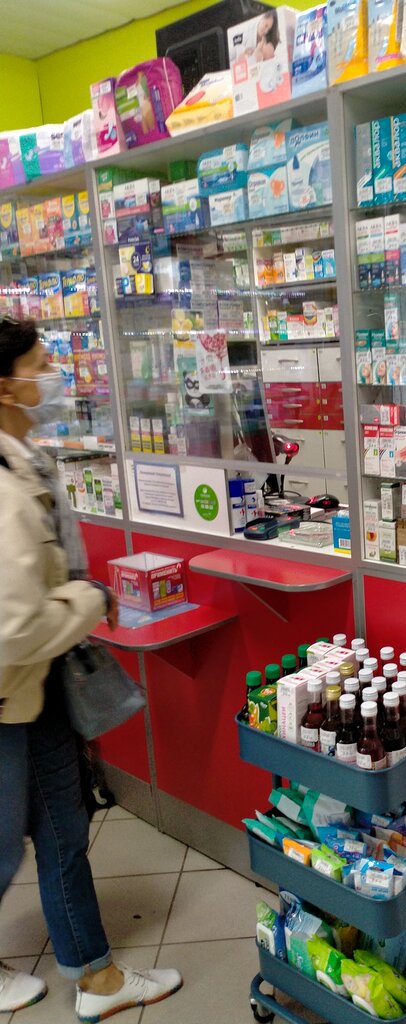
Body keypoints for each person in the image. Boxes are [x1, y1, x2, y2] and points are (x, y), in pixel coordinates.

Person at [0, 318, 182, 1020]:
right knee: (9, 847)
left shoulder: (24, 459)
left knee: (61, 833)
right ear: (7, 386)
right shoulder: (6, 487)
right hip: (13, 690)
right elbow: (16, 627)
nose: (54, 376)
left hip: (34, 689)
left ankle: (95, 977)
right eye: (40, 365)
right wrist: (90, 598)